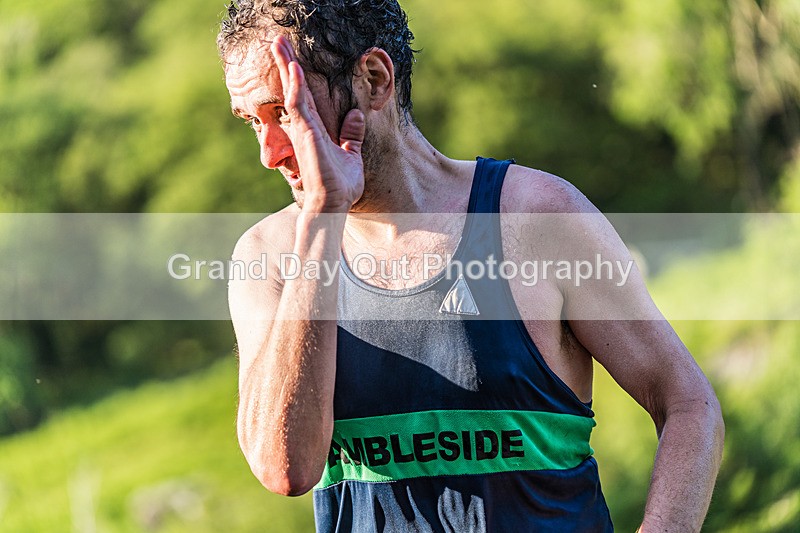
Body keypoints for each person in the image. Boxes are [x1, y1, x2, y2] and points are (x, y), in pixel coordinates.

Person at [219, 1, 724, 531]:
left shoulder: (535, 217)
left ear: (373, 78)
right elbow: (286, 469)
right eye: (253, 121)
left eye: (284, 111)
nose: (269, 153)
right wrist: (323, 217)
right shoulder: (269, 258)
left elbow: (689, 405)